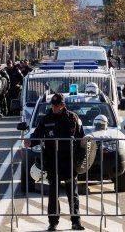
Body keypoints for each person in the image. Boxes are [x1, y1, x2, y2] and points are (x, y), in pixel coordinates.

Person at [24, 93, 85, 231]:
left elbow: (82, 139)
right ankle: (53, 222)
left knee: (72, 193)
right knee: (53, 193)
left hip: (69, 162)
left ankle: (76, 221)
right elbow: (37, 135)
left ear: (62, 105)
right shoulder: (46, 119)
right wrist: (30, 141)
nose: (53, 108)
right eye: (52, 105)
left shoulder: (73, 118)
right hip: (53, 162)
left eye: (55, 106)